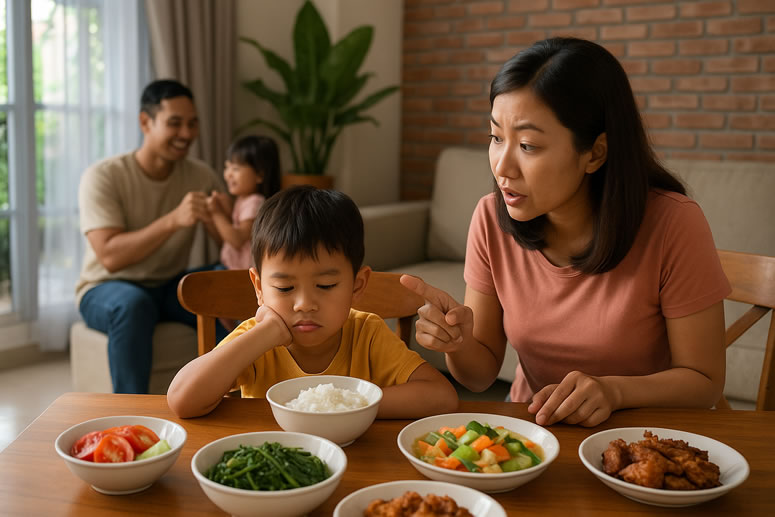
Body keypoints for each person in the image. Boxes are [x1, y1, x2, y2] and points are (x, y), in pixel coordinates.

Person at [400, 37, 730, 427]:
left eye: (527, 145)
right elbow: (480, 374)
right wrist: (457, 342)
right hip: (532, 429)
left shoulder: (673, 222)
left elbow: (704, 382)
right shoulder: (491, 218)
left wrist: (614, 391)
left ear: (595, 153)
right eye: (495, 138)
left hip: (640, 437)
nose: (502, 166)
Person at [167, 186, 459, 419]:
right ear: (259, 287)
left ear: (357, 285)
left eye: (326, 285)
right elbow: (182, 401)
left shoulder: (366, 334)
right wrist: (261, 336)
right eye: (284, 287)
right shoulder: (256, 339)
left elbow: (441, 396)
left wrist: (348, 408)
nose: (304, 304)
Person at [76, 79, 227, 394]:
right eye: (175, 123)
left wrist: (224, 224)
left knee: (225, 284)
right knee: (134, 305)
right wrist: (173, 220)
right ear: (145, 122)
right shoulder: (104, 176)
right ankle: (132, 418)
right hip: (105, 288)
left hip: (169, 284)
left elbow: (229, 244)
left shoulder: (201, 175)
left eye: (192, 123)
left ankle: (244, 397)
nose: (187, 134)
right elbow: (111, 257)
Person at [207, 135, 282, 271]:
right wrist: (228, 209)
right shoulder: (244, 199)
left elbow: (237, 240)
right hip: (230, 266)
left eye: (235, 169)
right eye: (227, 167)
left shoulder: (255, 202)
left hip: (238, 272)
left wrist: (216, 213)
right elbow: (240, 225)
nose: (228, 174)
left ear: (259, 175)